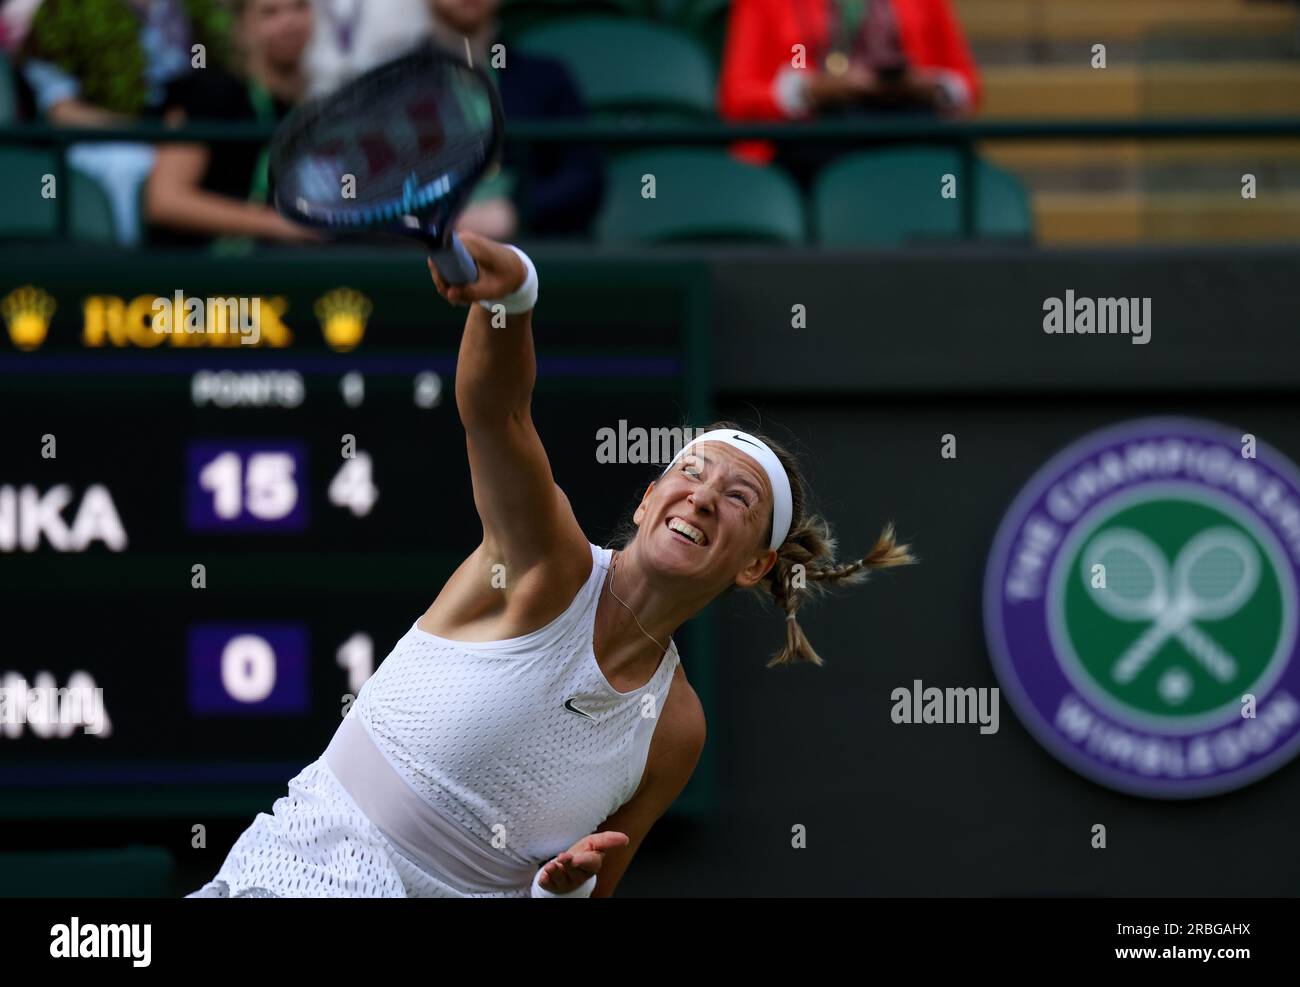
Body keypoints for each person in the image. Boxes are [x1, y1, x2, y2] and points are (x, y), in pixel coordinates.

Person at [185, 232, 915, 898]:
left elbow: (592, 888)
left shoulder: (674, 730)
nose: (701, 497)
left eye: (737, 496)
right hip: (299, 878)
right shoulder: (546, 569)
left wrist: (557, 892)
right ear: (647, 500)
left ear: (755, 565)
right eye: (689, 473)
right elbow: (497, 414)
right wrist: (513, 298)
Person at [18, 0, 238, 243]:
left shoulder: (194, 8)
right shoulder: (63, 9)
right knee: (127, 164)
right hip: (97, 144)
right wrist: (146, 130)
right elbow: (61, 113)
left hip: (185, 133)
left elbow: (224, 74)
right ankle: (127, 270)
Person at [719, 0, 981, 183]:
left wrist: (923, 84)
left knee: (952, 162)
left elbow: (965, 83)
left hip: (906, 120)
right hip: (815, 131)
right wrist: (811, 90)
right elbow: (738, 98)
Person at [144, 0, 317, 248]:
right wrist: (278, 225)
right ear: (243, 28)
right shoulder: (211, 91)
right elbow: (164, 200)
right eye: (270, 13)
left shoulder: (307, 106)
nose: (289, 22)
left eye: (299, 7)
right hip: (205, 271)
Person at [428, 0, 603, 239]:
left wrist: (516, 212)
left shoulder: (547, 78)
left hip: (532, 257)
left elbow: (586, 179)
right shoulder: (392, 88)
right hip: (419, 262)